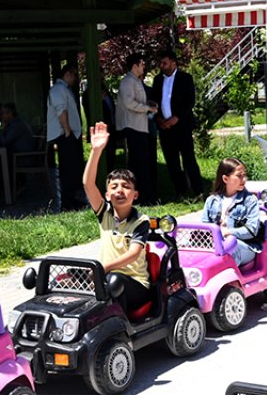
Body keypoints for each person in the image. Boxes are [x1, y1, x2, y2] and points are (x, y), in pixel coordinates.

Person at [83, 123, 151, 312]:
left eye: (126, 186)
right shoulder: (104, 214)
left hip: (135, 284)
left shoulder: (140, 221)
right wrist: (96, 151)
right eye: (114, 187)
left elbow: (133, 254)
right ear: (106, 195)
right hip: (105, 277)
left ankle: (117, 325)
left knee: (114, 280)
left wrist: (103, 268)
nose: (120, 190)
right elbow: (88, 184)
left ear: (135, 195)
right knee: (70, 277)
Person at [153, 51, 203, 196]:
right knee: (172, 161)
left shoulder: (185, 78)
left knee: (189, 159)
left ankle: (198, 190)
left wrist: (176, 117)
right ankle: (180, 191)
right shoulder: (157, 80)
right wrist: (159, 119)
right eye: (161, 63)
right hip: (165, 128)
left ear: (173, 63)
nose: (162, 66)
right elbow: (154, 100)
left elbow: (190, 101)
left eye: (165, 63)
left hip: (182, 126)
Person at [116, 52, 159, 204]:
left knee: (141, 162)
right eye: (141, 64)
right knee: (140, 164)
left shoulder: (135, 81)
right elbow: (129, 103)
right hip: (133, 126)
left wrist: (149, 105)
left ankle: (142, 196)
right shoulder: (128, 82)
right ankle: (145, 198)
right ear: (135, 66)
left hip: (140, 126)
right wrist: (147, 108)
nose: (143, 66)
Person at [203, 158, 261, 267]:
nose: (244, 179)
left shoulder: (250, 200)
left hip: (244, 246)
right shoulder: (211, 200)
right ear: (225, 178)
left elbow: (252, 230)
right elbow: (204, 227)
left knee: (231, 246)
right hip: (216, 244)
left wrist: (228, 232)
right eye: (239, 176)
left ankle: (228, 281)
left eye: (244, 175)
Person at [46, 63, 86, 211]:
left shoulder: (63, 89)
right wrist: (67, 131)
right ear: (67, 74)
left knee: (71, 169)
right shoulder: (58, 89)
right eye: (75, 75)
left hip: (68, 134)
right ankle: (67, 203)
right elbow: (61, 110)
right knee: (67, 170)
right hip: (65, 135)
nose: (76, 78)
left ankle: (71, 200)